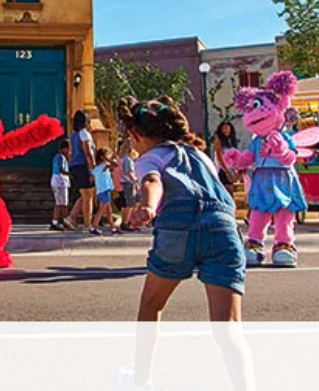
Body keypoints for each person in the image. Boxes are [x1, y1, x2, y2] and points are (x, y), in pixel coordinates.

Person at [113, 96, 253, 391]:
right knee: (228, 329)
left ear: (137, 136)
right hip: (223, 227)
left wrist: (148, 207)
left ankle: (142, 380)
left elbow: (153, 181)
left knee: (151, 304)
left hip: (179, 226)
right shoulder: (199, 153)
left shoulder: (150, 157)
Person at [66, 110, 97, 231]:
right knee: (89, 196)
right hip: (84, 165)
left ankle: (71, 217)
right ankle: (87, 225)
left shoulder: (73, 136)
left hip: (75, 165)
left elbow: (71, 153)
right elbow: (88, 152)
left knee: (84, 194)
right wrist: (93, 167)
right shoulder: (85, 134)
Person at [90, 147, 118, 235]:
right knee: (101, 210)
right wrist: (108, 159)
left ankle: (113, 227)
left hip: (104, 190)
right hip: (104, 190)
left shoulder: (97, 168)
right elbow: (115, 164)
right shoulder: (103, 166)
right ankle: (94, 227)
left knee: (109, 211)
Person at [117, 138, 140, 231]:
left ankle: (124, 221)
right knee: (129, 204)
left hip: (123, 181)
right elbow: (129, 172)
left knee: (125, 204)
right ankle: (126, 222)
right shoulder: (128, 159)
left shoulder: (122, 158)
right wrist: (135, 181)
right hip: (128, 182)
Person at [49, 140, 72, 231]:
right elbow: (61, 169)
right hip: (60, 181)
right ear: (65, 148)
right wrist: (70, 174)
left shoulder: (60, 157)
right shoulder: (61, 157)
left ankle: (63, 221)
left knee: (63, 203)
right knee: (60, 203)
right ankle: (56, 221)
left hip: (60, 181)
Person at [213, 121, 240, 194]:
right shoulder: (218, 140)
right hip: (222, 169)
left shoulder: (231, 142)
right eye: (224, 128)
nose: (226, 130)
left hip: (231, 169)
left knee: (232, 191)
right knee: (226, 190)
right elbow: (219, 156)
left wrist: (235, 171)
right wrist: (226, 171)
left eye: (228, 128)